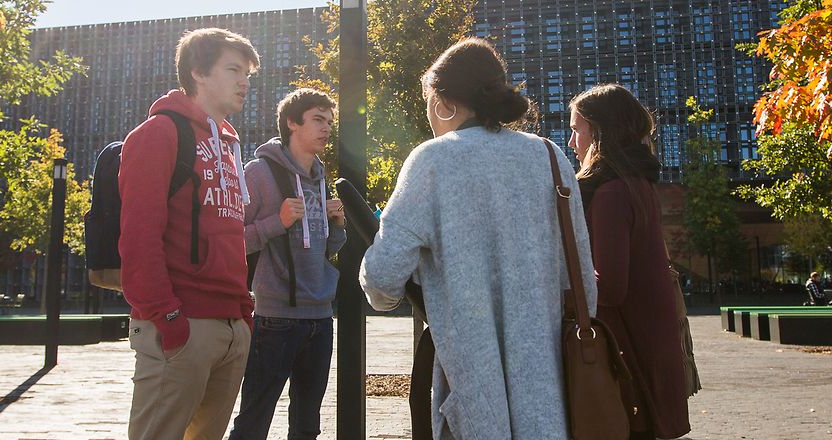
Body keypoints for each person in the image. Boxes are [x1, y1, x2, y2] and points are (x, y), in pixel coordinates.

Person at [358, 38, 597, 439]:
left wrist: (386, 294)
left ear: (443, 102)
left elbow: (382, 277)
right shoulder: (550, 156)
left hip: (470, 392)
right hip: (551, 389)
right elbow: (582, 279)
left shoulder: (432, 160)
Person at [118, 28, 258, 440]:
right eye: (233, 70)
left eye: (247, 73)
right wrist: (169, 318)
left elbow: (231, 234)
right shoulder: (159, 133)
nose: (244, 82)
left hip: (230, 326)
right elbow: (139, 237)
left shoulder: (229, 144)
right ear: (198, 71)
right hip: (182, 326)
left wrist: (243, 315)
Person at [568, 84, 691, 439]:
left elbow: (610, 288)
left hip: (627, 356)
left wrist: (558, 291)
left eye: (577, 130)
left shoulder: (612, 193)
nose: (571, 142)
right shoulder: (637, 184)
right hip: (648, 348)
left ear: (600, 133)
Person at [229, 88, 345, 439]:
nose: (326, 129)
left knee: (308, 426)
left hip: (320, 318)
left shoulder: (320, 177)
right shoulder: (259, 173)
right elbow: (230, 241)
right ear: (292, 123)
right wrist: (275, 223)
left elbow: (324, 249)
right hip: (275, 319)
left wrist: (338, 227)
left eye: (329, 122)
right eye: (318, 120)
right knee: (253, 423)